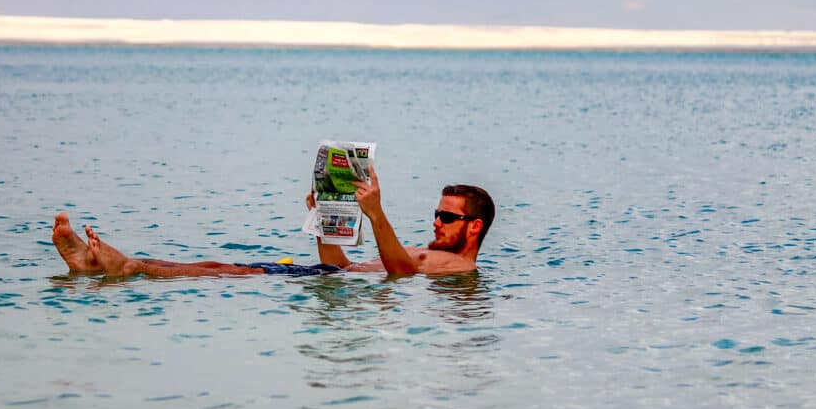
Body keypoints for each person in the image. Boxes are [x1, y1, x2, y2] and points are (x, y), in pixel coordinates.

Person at [52, 166, 494, 278]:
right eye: (436, 213)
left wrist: (375, 213)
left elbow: (399, 272)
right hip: (330, 276)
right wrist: (325, 220)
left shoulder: (459, 269)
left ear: (474, 227)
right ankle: (95, 266)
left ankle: (128, 267)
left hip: (323, 280)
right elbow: (341, 268)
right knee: (214, 266)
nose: (436, 222)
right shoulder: (429, 253)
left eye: (448, 217)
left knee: (225, 273)